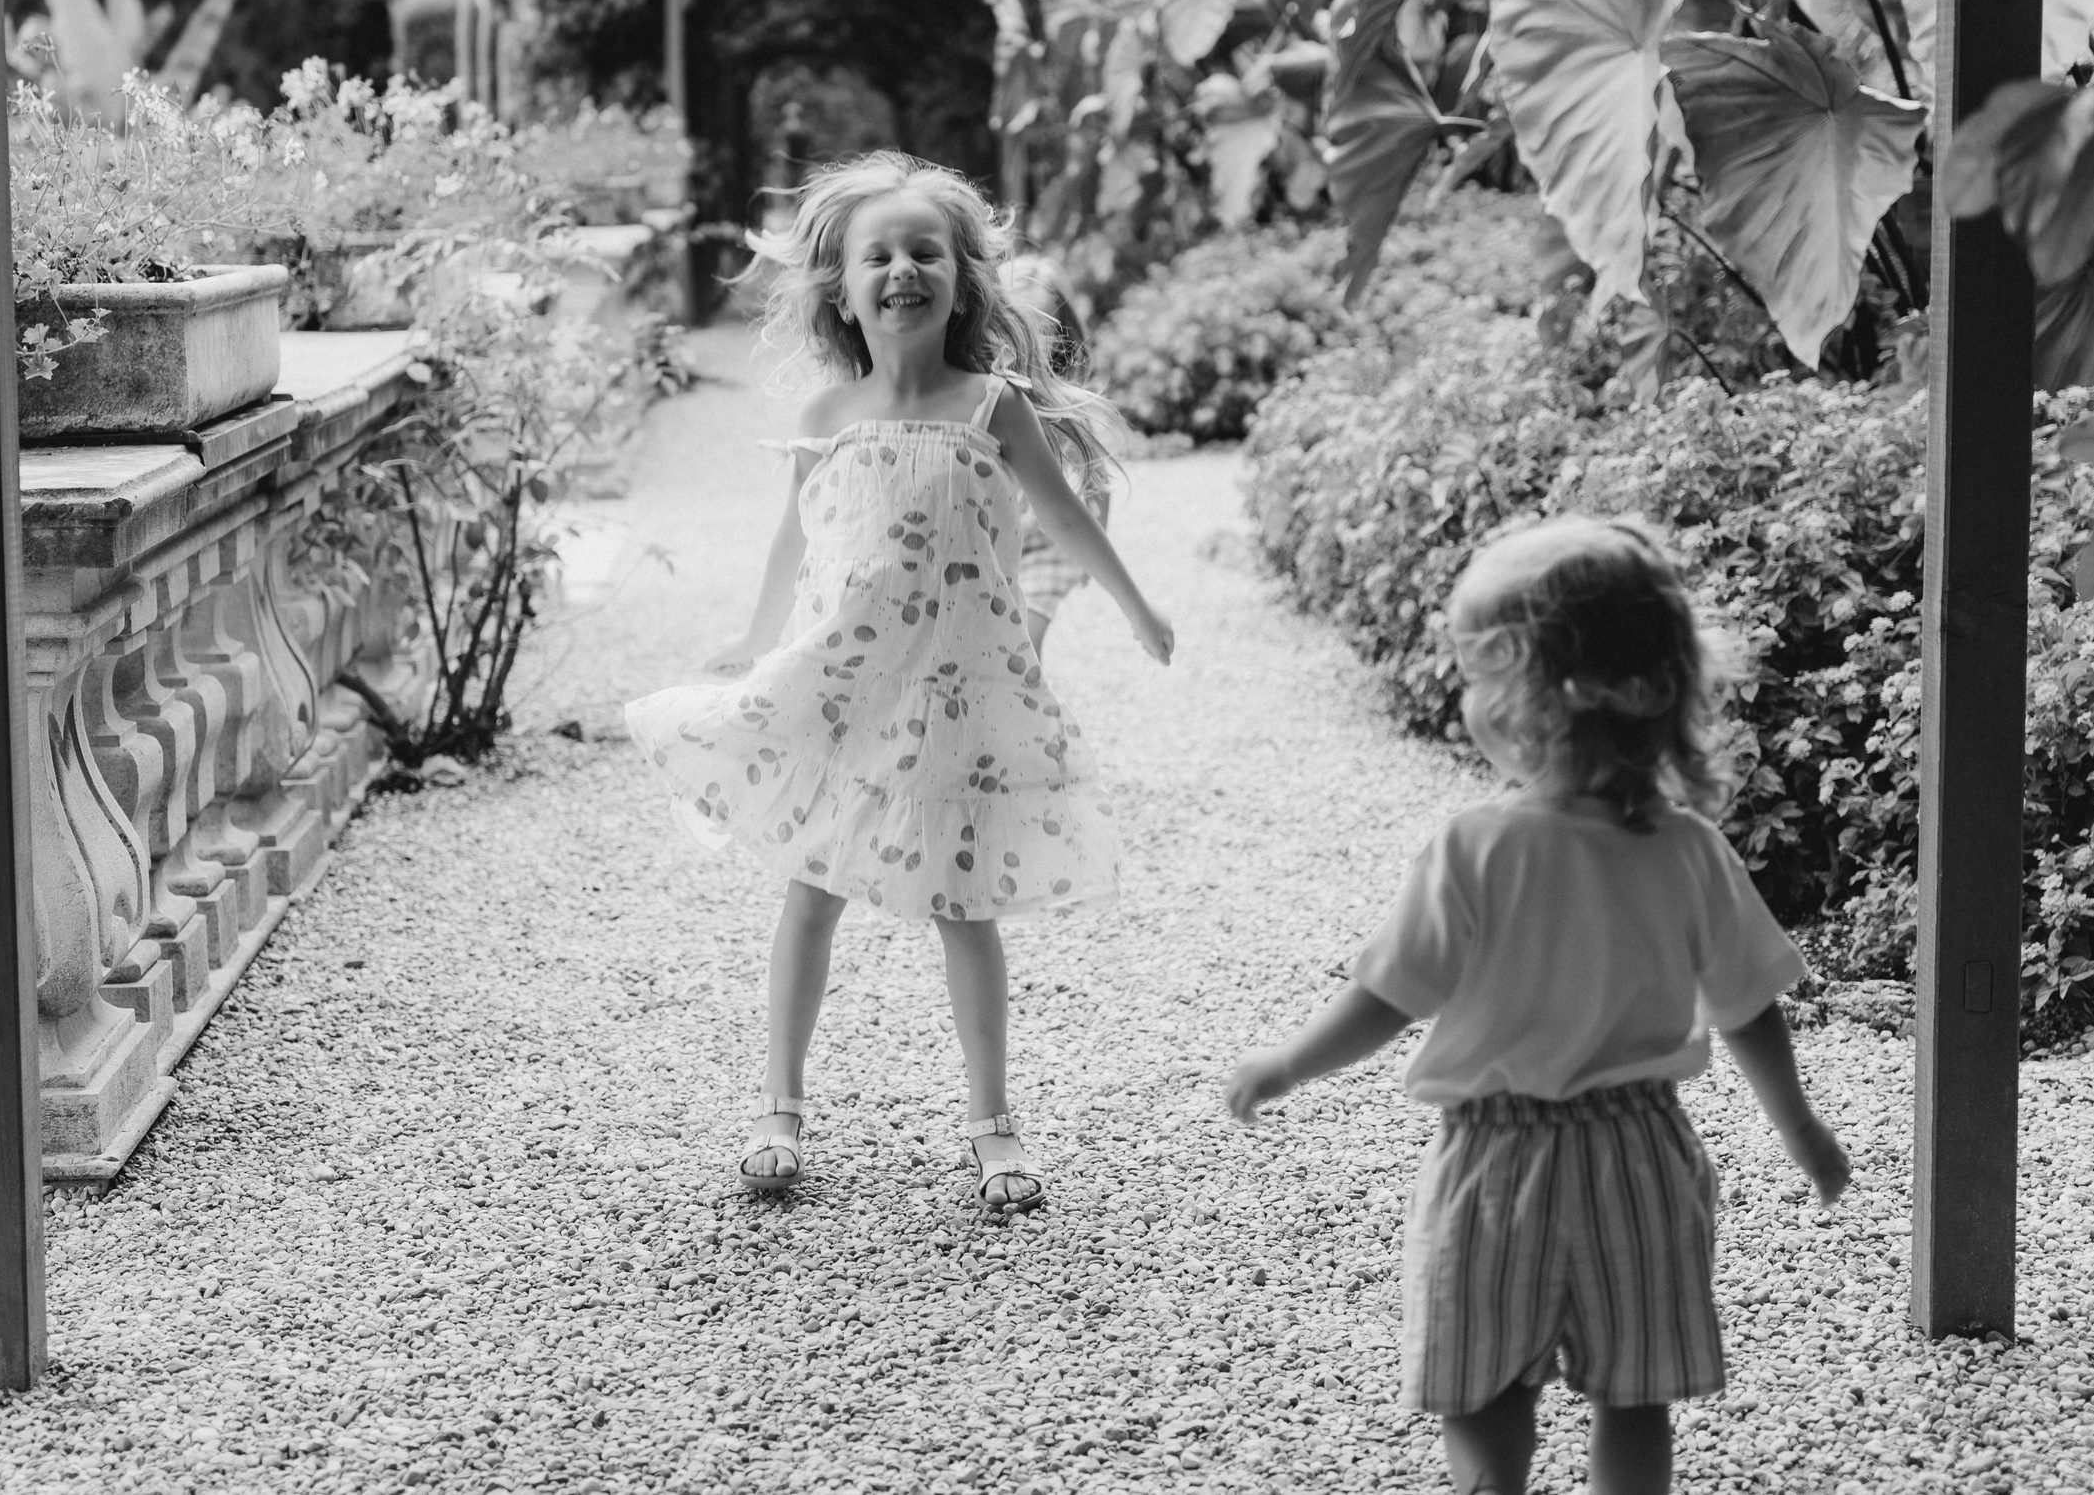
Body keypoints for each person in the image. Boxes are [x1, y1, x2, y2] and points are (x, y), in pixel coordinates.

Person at [1222, 515, 1851, 1495]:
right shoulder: (1685, 850)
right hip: (1639, 1156)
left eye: (1478, 676)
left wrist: (1288, 1062)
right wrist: (1800, 1127)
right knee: (1633, 1391)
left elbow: (1388, 997)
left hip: (1495, 1160)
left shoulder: (1476, 849)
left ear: (1542, 697)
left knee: (1483, 1382)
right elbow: (1747, 1007)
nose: (1467, 698)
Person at [625, 152, 1176, 1211]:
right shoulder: (829, 416)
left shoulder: (991, 406)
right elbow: (796, 539)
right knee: (812, 894)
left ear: (964, 278)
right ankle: (778, 1110)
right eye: (877, 255)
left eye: (925, 251)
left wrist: (1136, 605)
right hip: (850, 687)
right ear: (841, 286)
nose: (902, 270)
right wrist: (751, 638)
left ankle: (992, 1126)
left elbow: (1062, 516)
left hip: (957, 697)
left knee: (965, 908)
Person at [998, 253, 1111, 656]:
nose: (1034, 353)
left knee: (1027, 642)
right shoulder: (989, 401)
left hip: (1051, 548)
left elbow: (1098, 480)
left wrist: (1097, 549)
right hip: (997, 545)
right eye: (1017, 335)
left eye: (1047, 339)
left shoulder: (1072, 405)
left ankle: (1032, 712)